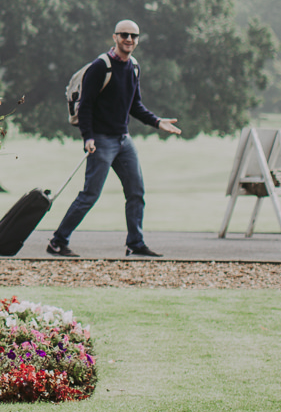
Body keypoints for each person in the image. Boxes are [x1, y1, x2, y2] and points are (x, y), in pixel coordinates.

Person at [46, 20, 182, 258]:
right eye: (124, 35)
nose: (129, 39)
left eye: (134, 36)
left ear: (138, 40)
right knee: (90, 195)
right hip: (101, 140)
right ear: (115, 37)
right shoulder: (101, 66)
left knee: (136, 191)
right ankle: (58, 242)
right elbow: (85, 105)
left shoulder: (134, 67)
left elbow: (135, 105)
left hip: (123, 140)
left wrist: (157, 122)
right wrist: (87, 137)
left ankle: (135, 243)